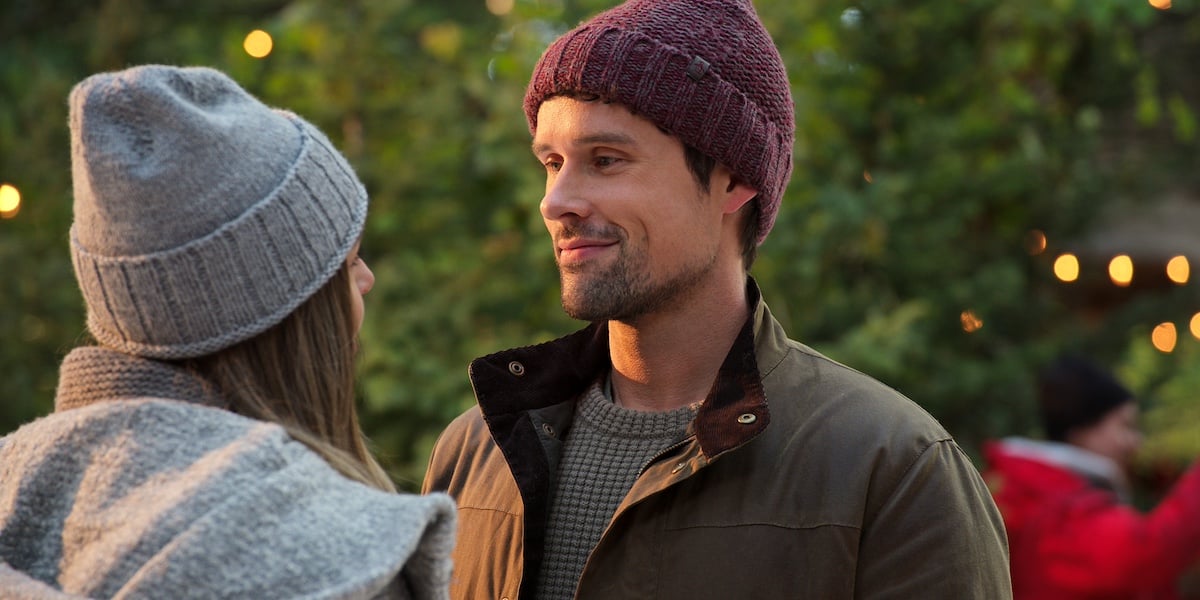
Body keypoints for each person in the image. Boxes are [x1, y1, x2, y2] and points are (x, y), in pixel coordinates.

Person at [421, 1, 1011, 598]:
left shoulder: (893, 468)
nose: (556, 202)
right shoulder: (474, 451)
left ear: (734, 180)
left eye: (606, 160)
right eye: (552, 163)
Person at [0, 65, 456, 599]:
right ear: (287, 308)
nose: (367, 278)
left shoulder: (14, 482)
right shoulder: (337, 559)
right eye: (349, 262)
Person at [983, 355, 1200, 599]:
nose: (1135, 442)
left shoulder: (1035, 488)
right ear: (1083, 431)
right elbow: (1148, 553)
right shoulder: (1051, 504)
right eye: (1125, 425)